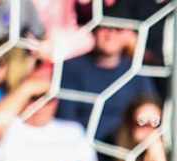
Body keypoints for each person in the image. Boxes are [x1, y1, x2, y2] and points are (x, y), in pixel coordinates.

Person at [55, 11, 161, 143]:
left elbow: (150, 110)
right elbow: (66, 120)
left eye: (117, 29)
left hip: (126, 145)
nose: (110, 34)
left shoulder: (136, 72)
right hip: (83, 147)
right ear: (94, 30)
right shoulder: (72, 68)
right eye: (104, 27)